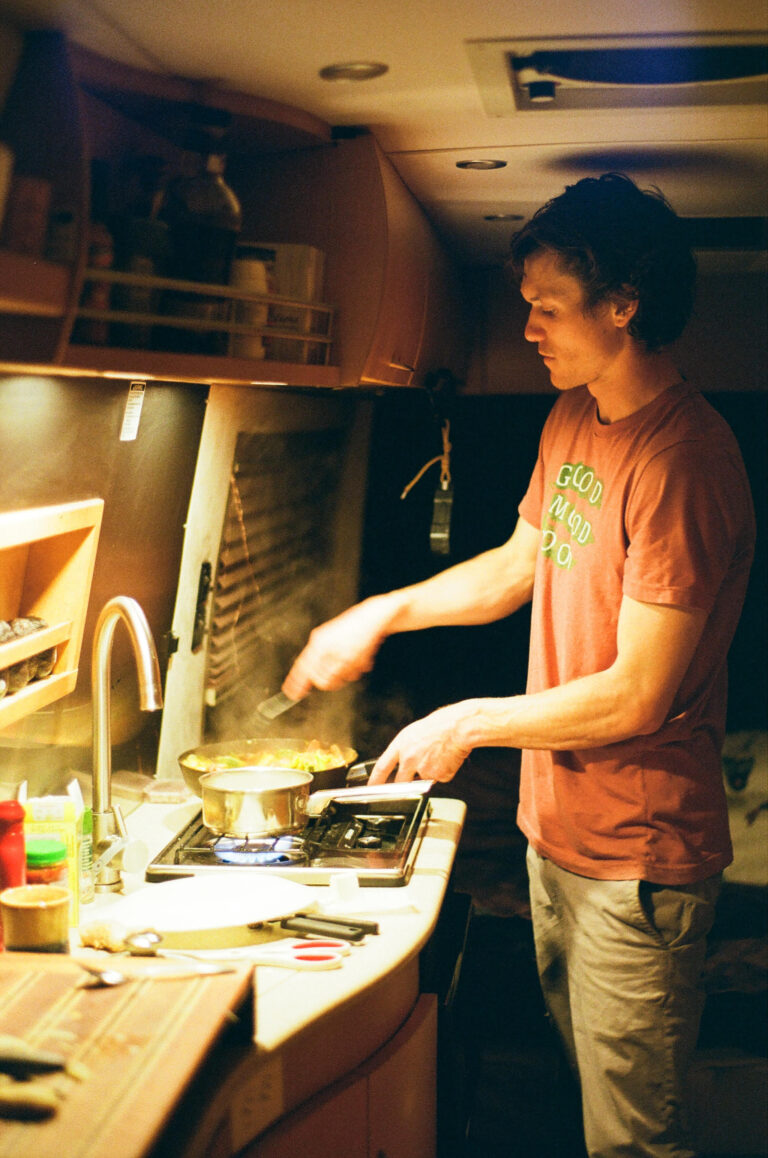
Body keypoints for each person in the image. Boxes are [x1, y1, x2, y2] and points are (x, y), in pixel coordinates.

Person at [282, 173, 755, 1157]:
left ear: (623, 304)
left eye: (547, 305)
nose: (529, 326)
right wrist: (378, 615)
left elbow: (639, 691)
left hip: (637, 862)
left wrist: (464, 721)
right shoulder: (575, 416)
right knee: (584, 1102)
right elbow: (511, 569)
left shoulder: (685, 463)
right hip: (554, 837)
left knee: (633, 1139)